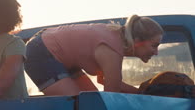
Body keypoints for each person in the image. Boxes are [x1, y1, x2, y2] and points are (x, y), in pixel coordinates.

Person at [24, 15, 163, 96]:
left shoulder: (116, 41)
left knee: (91, 99)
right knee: (81, 106)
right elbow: (112, 98)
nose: (156, 52)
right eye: (154, 45)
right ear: (137, 41)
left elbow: (105, 81)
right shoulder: (112, 51)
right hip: (40, 53)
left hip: (59, 54)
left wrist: (142, 93)